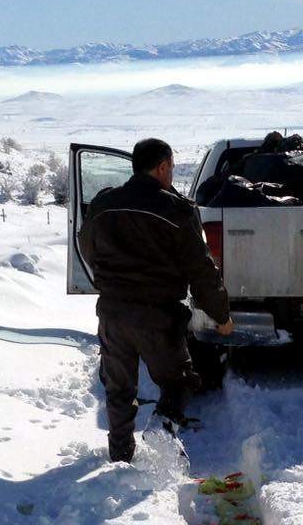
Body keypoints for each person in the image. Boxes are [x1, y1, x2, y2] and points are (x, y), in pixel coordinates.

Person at [78, 137, 233, 463]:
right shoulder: (177, 210)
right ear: (162, 167)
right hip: (158, 316)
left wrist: (110, 282)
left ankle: (120, 458)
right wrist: (221, 315)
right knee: (179, 383)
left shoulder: (103, 206)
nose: (172, 174)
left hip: (113, 313)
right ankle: (162, 428)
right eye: (171, 168)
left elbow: (87, 248)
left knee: (119, 391)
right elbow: (201, 271)